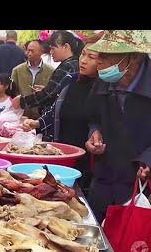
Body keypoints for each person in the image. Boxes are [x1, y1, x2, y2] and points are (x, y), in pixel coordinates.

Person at [83, 30, 151, 223]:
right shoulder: (103, 81)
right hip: (104, 187)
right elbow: (93, 118)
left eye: (106, 55)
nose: (99, 61)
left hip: (144, 194)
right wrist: (94, 133)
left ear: (134, 56)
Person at [23, 34, 102, 189]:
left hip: (89, 163)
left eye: (91, 57)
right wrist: (37, 122)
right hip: (64, 157)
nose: (83, 60)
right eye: (83, 54)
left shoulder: (105, 88)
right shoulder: (71, 80)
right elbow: (55, 111)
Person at [11, 31, 82, 120]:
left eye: (53, 48)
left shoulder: (67, 67)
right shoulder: (72, 64)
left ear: (66, 47)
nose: (51, 52)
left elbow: (48, 95)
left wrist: (22, 101)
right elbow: (56, 92)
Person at [10, 40, 54, 119]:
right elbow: (12, 93)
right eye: (28, 50)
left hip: (42, 116)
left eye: (32, 51)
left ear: (41, 52)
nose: (29, 54)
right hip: (21, 115)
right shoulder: (17, 70)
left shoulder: (51, 71)